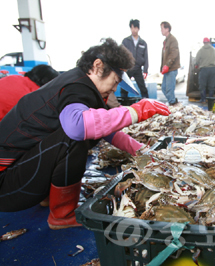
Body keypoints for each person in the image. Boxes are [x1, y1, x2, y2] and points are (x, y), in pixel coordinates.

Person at [0, 38, 170, 230]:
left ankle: (48, 197)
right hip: (7, 185)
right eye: (115, 81)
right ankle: (62, 215)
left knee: (80, 130)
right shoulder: (76, 88)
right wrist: (135, 111)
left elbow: (107, 131)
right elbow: (77, 127)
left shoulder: (78, 85)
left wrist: (143, 152)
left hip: (19, 178)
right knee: (71, 137)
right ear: (98, 66)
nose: (115, 88)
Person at [122, 19, 149, 98]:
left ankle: (147, 103)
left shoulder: (143, 43)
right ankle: (124, 105)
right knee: (124, 88)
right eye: (132, 28)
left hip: (138, 68)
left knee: (143, 88)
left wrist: (145, 70)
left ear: (138, 29)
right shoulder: (126, 41)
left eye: (135, 28)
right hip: (127, 68)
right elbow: (121, 55)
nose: (133, 30)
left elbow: (146, 57)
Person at [160, 21, 180, 106]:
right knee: (164, 88)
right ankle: (173, 102)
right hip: (167, 70)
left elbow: (174, 53)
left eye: (162, 28)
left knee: (169, 89)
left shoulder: (172, 40)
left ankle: (173, 105)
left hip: (171, 69)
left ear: (167, 29)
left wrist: (167, 65)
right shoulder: (166, 41)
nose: (161, 30)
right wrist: (162, 67)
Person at [195, 37, 215, 103]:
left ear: (203, 43)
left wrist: (197, 64)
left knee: (202, 85)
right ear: (209, 42)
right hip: (212, 69)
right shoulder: (213, 49)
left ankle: (203, 99)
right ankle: (210, 100)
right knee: (211, 85)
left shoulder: (201, 50)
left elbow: (197, 60)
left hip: (204, 69)